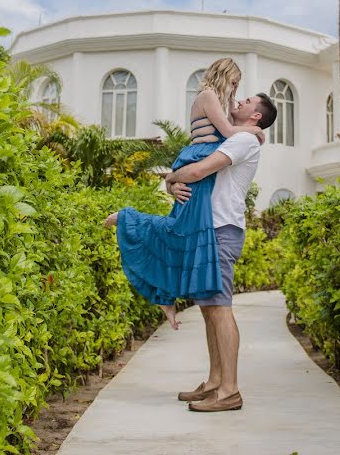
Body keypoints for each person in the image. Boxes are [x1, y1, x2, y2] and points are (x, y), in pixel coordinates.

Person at [103, 59, 264, 330]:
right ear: (225, 76)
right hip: (198, 160)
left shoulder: (219, 101)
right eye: (234, 83)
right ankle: (127, 219)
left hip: (201, 163)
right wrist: (255, 129)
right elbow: (226, 132)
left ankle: (165, 296)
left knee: (185, 234)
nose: (236, 90)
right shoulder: (208, 95)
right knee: (179, 228)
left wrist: (170, 180)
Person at [168, 93, 276, 412]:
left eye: (247, 101)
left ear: (255, 116)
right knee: (209, 308)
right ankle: (215, 382)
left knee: (220, 307)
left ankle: (229, 391)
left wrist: (172, 177)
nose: (239, 101)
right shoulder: (239, 136)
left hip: (222, 228)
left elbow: (200, 171)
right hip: (210, 227)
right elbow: (191, 175)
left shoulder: (243, 141)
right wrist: (173, 183)